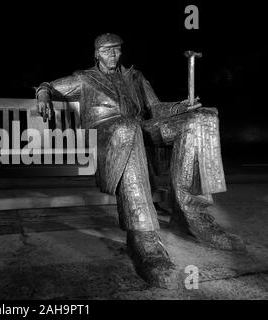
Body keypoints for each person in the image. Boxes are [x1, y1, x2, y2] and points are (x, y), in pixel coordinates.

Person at [35, 33, 244, 288]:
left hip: (139, 128)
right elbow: (49, 85)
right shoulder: (84, 78)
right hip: (108, 134)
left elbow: (155, 109)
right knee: (127, 127)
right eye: (106, 50)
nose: (112, 54)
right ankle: (142, 236)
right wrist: (44, 94)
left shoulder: (135, 76)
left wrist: (181, 107)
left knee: (202, 120)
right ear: (96, 53)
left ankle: (191, 213)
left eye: (117, 50)